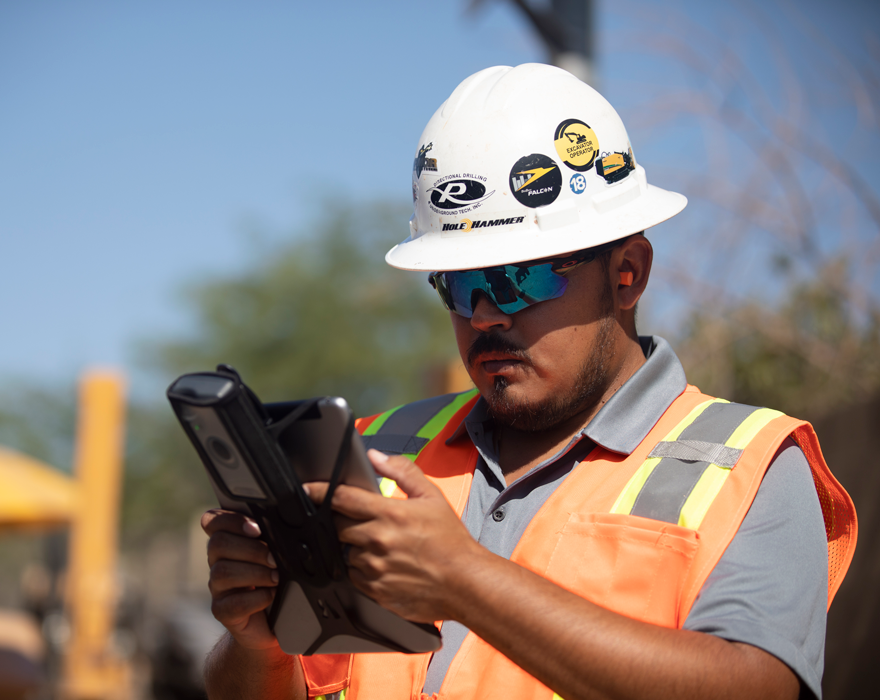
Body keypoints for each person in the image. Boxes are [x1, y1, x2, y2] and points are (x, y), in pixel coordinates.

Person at [200, 64, 856, 700]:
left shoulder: (750, 467)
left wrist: (467, 582)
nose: (484, 314)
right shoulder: (379, 455)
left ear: (627, 273)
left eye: (523, 278)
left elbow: (757, 689)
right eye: (460, 286)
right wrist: (259, 647)